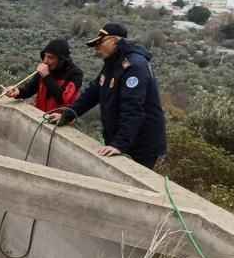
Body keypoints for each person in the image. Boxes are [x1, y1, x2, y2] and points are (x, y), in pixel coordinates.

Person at [45, 23, 166, 169]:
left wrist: (119, 144)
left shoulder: (134, 66)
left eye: (99, 43)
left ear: (114, 40)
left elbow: (133, 108)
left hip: (142, 142)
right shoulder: (112, 63)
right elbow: (92, 93)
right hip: (124, 137)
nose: (96, 48)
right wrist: (67, 114)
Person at [3, 38, 83, 113]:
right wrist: (17, 92)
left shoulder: (75, 74)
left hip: (59, 122)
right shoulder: (46, 70)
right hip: (40, 117)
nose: (45, 61)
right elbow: (29, 90)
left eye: (50, 57)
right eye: (44, 56)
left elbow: (63, 99)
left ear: (61, 59)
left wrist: (47, 77)